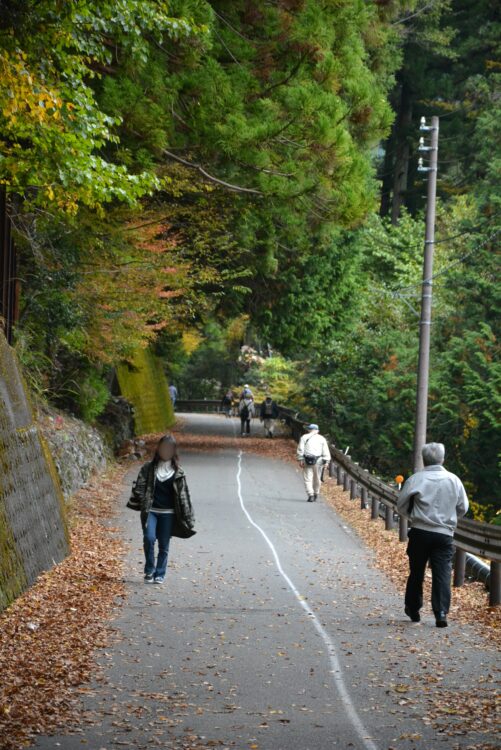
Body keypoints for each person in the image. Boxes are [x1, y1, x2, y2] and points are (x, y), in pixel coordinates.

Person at [397, 442, 469, 628]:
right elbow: (463, 508)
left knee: (416, 571)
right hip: (444, 534)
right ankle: (441, 612)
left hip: (420, 532)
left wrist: (414, 517)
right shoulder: (454, 480)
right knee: (442, 573)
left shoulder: (415, 479)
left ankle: (413, 609)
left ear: (423, 458)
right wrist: (449, 518)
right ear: (443, 459)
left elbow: (401, 505)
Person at [132, 434, 195, 584]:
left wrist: (189, 518)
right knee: (149, 538)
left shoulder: (179, 472)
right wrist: (143, 499)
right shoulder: (148, 468)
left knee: (164, 545)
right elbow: (139, 488)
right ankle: (149, 570)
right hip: (151, 512)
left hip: (169, 514)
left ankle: (160, 573)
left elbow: (184, 496)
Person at [297, 424, 331, 502]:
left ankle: (310, 495)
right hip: (318, 460)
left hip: (307, 459)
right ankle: (316, 493)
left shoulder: (304, 437)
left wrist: (300, 459)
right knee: (317, 478)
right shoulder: (322, 439)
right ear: (317, 431)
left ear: (309, 430)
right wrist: (327, 461)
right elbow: (325, 451)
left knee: (307, 478)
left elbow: (300, 449)